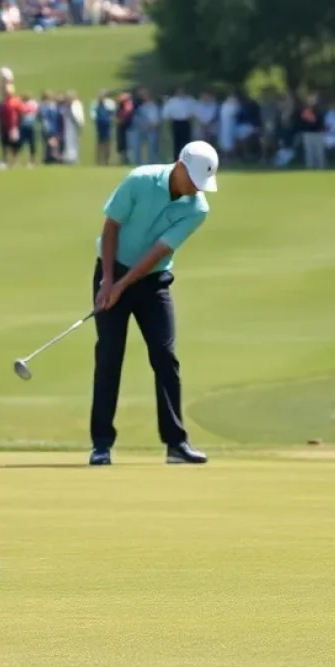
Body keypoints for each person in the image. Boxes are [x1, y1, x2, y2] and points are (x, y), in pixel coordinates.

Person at [88, 141, 219, 467]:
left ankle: (176, 444)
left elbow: (158, 252)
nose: (195, 189)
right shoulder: (140, 180)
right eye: (193, 180)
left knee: (165, 356)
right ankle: (101, 444)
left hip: (152, 280)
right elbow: (110, 227)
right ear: (179, 165)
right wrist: (107, 281)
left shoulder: (197, 208)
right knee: (109, 356)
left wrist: (123, 284)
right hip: (110, 267)